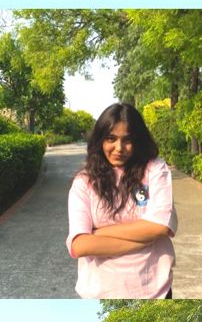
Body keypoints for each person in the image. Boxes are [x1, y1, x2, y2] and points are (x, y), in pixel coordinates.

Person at [66, 102, 177, 300]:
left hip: (154, 290)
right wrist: (145, 238)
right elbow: (80, 245)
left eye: (127, 140)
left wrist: (98, 233)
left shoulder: (154, 169)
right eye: (111, 139)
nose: (119, 148)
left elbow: (159, 227)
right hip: (102, 292)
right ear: (100, 140)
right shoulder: (84, 182)